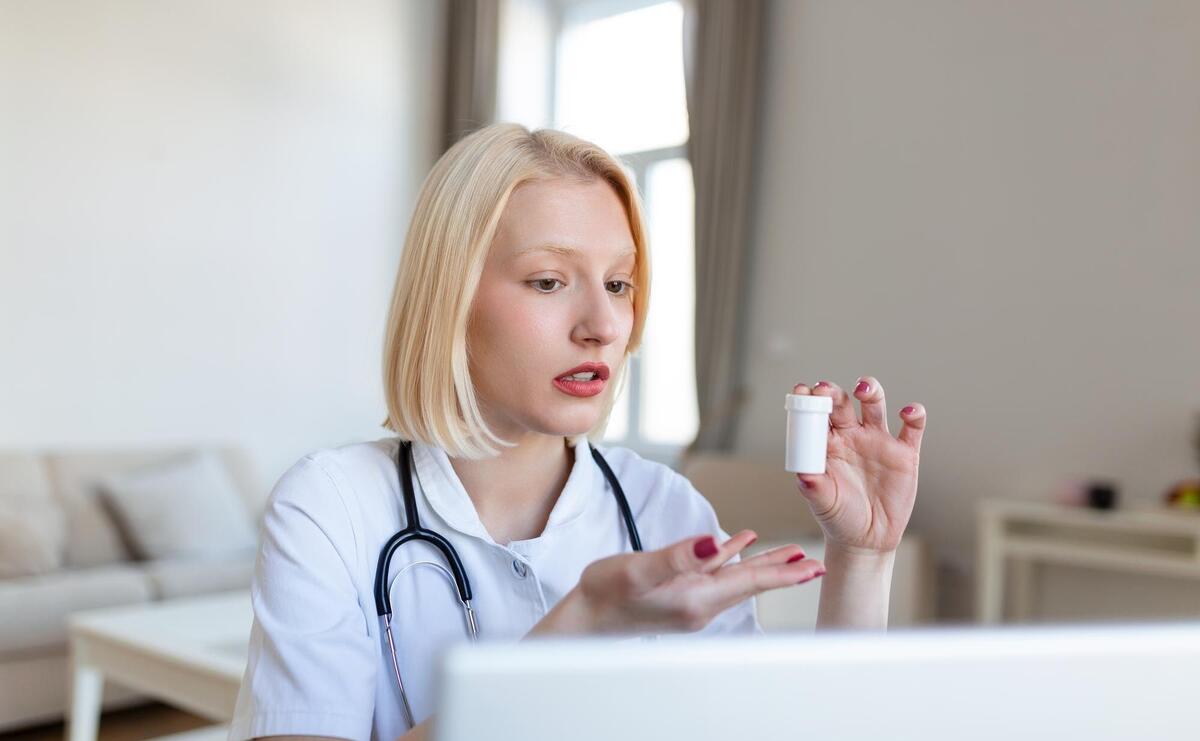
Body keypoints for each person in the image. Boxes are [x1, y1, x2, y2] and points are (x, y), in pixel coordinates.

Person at [228, 123, 926, 741]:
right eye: (548, 281)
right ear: (450, 296)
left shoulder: (664, 507)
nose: (602, 325)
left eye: (619, 284)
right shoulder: (331, 507)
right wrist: (583, 621)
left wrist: (861, 558)